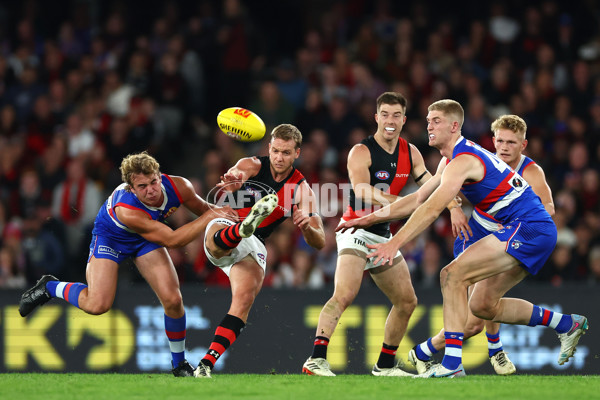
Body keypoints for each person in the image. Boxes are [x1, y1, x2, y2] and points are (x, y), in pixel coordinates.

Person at [338, 100, 588, 378]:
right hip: (528, 230)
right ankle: (567, 324)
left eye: (436, 121)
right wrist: (370, 219)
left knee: (451, 275)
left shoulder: (463, 161)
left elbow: (432, 209)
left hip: (529, 228)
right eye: (429, 120)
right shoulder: (449, 161)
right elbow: (417, 198)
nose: (429, 125)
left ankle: (453, 364)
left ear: (454, 126)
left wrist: (394, 243)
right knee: (482, 307)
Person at [19, 151, 235, 377]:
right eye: (142, 186)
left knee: (173, 300)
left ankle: (179, 365)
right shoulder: (127, 209)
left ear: (160, 176)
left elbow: (206, 211)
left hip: (145, 238)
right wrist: (213, 216)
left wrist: (236, 220)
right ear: (131, 189)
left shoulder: (179, 186)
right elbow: (173, 240)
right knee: (97, 305)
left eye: (153, 181)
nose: (151, 190)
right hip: (111, 238)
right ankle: (49, 287)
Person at [301, 92, 468, 377]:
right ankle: (316, 359)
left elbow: (432, 183)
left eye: (396, 116)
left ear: (404, 120)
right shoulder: (361, 151)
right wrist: (400, 204)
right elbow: (362, 189)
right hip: (356, 228)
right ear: (376, 118)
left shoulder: (411, 152)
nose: (390, 121)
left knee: (407, 302)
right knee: (344, 294)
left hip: (383, 236)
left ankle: (385, 365)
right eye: (385, 115)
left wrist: (452, 206)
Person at [408, 114, 556, 376]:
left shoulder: (530, 170)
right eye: (499, 141)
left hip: (513, 236)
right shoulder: (482, 159)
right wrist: (454, 208)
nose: (504, 147)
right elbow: (446, 186)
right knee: (476, 311)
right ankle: (488, 350)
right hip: (475, 236)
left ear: (523, 145)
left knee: (479, 313)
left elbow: (549, 208)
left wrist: (514, 225)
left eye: (511, 142)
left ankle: (430, 352)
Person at [194, 123, 325, 378]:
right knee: (215, 243)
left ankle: (206, 364)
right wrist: (232, 183)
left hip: (253, 242)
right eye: (275, 150)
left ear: (297, 153)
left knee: (242, 301)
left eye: (286, 153)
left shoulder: (302, 189)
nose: (279, 157)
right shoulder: (253, 164)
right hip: (229, 221)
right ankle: (241, 229)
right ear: (269, 148)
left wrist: (306, 227)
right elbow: (236, 173)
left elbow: (319, 240)